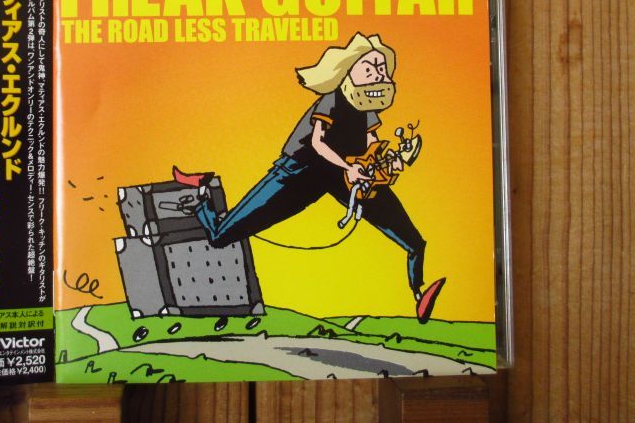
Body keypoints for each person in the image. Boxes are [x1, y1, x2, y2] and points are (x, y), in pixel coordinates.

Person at [173, 33, 445, 323]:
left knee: (415, 242)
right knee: (220, 237)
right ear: (349, 70)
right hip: (300, 172)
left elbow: (371, 141)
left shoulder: (366, 107)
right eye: (370, 67)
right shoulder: (333, 99)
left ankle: (419, 293)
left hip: (342, 176)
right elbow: (318, 143)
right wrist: (349, 166)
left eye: (381, 68)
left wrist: (384, 165)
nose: (378, 73)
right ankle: (202, 192)